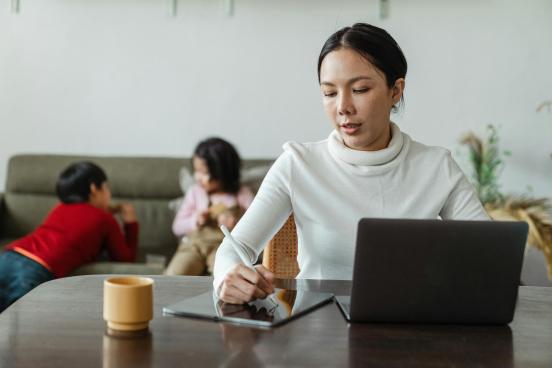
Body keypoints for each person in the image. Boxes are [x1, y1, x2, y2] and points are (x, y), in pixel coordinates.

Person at [213, 23, 490, 304]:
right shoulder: (298, 164)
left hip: (410, 336)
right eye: (329, 93)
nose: (343, 107)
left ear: (396, 90)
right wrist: (229, 276)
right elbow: (236, 247)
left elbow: (490, 252)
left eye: (359, 89)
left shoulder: (435, 167)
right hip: (317, 337)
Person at [0, 162, 138, 313]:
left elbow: (78, 225)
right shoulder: (105, 219)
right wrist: (130, 222)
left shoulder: (60, 208)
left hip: (10, 255)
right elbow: (125, 257)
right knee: (19, 321)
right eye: (106, 187)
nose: (109, 193)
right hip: (35, 268)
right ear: (94, 189)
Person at [165, 137, 254, 276]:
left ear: (223, 172)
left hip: (224, 247)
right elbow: (177, 227)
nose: (197, 177)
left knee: (226, 277)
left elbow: (256, 225)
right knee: (174, 275)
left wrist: (236, 225)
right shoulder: (195, 192)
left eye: (204, 173)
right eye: (196, 171)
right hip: (194, 246)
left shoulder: (242, 194)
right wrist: (195, 220)